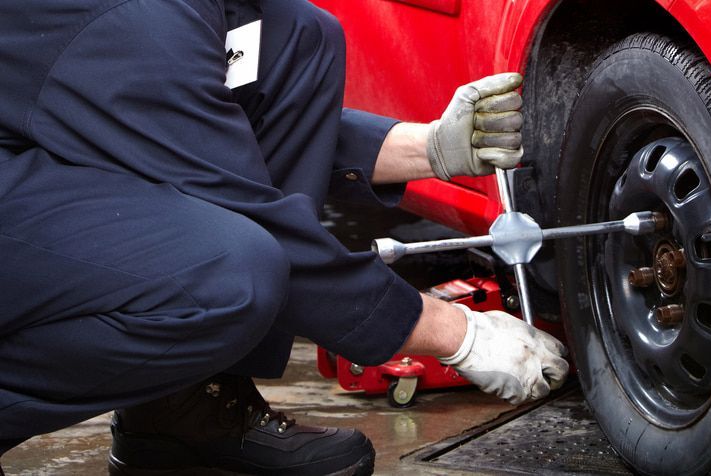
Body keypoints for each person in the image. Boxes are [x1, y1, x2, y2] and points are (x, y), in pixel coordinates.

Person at [0, 0, 570, 474]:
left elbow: (202, 119)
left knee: (299, 40)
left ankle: (186, 407)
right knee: (230, 277)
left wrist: (429, 149)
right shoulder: (137, 19)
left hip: (42, 128)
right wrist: (454, 332)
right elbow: (212, 168)